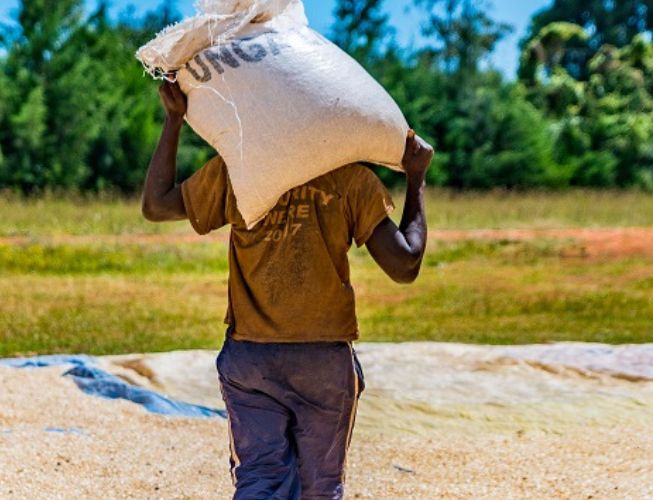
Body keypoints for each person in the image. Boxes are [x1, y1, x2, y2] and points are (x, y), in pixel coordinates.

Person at [140, 81, 433, 499]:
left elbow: (156, 204)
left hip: (251, 359)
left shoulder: (240, 169)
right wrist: (417, 179)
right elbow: (405, 265)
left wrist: (174, 120)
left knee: (259, 480)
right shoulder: (351, 181)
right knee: (321, 487)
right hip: (323, 363)